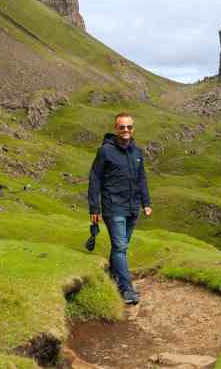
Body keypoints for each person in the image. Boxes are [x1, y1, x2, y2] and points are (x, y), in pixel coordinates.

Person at [88, 112, 152, 304]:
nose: (126, 130)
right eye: (122, 127)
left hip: (133, 207)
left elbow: (141, 179)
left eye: (129, 127)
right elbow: (95, 179)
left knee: (120, 248)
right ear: (116, 128)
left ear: (133, 129)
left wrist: (146, 203)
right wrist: (94, 209)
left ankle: (113, 278)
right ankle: (127, 290)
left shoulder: (137, 152)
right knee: (120, 247)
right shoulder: (105, 151)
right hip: (113, 206)